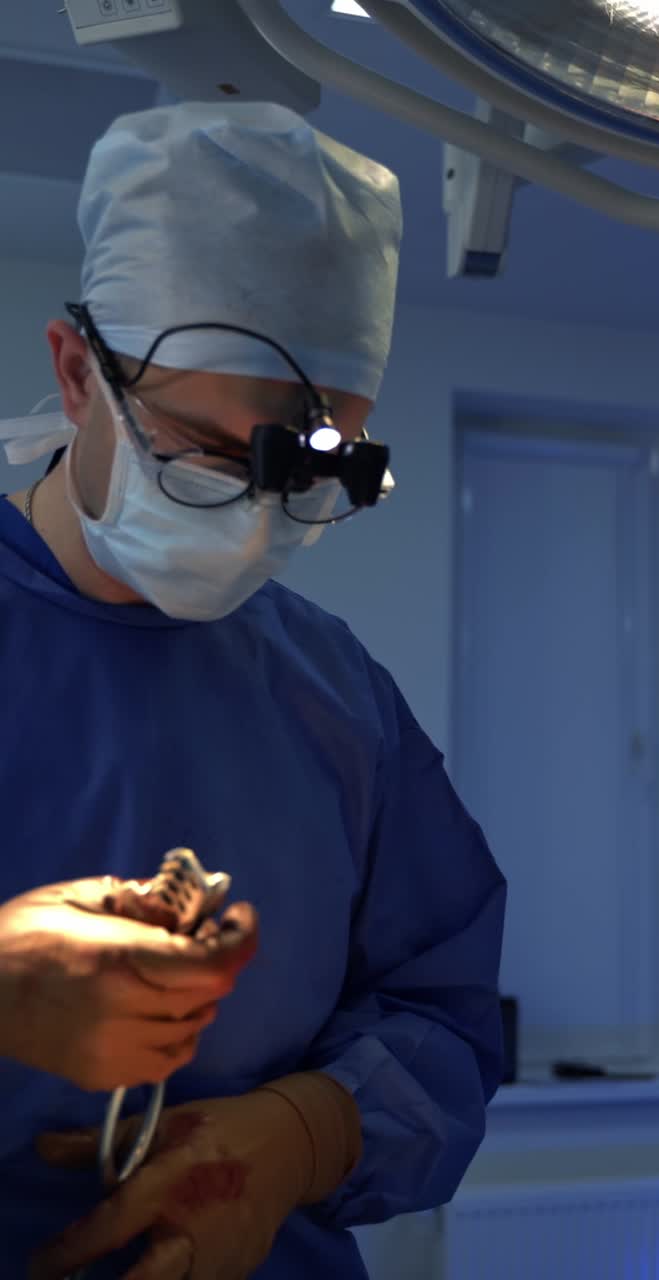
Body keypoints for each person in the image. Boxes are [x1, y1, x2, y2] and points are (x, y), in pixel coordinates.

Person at [0, 101, 506, 1278]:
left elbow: (442, 1008)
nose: (252, 514)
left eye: (309, 470)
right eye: (208, 451)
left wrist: (302, 1133)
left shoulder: (332, 693)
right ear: (77, 375)